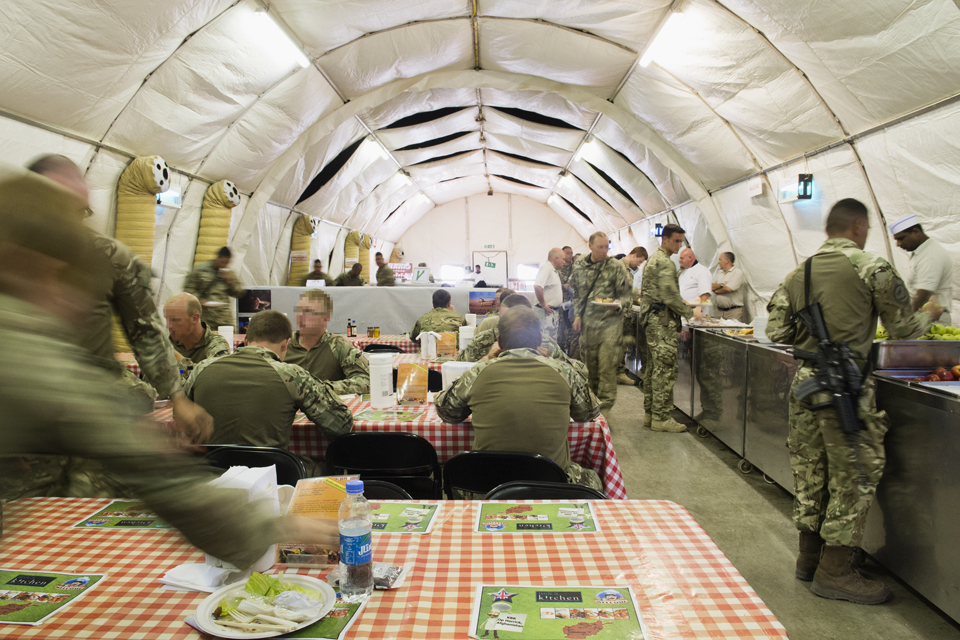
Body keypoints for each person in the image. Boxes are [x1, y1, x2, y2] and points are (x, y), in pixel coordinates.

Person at [0, 163, 337, 568]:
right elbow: (152, 473)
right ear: (36, 265)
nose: (76, 306)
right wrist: (272, 528)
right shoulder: (32, 357)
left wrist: (174, 394)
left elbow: (145, 330)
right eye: (68, 285)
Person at [766, 198, 941, 605]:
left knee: (811, 473)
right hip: (845, 388)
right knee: (854, 476)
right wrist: (931, 312)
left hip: (805, 387)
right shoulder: (872, 267)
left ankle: (809, 558)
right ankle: (836, 570)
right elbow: (902, 329)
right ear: (859, 226)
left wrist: (812, 343)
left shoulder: (798, 272)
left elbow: (776, 329)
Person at [26, 155, 212, 440]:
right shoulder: (11, 257)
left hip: (91, 411)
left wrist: (177, 396)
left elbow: (147, 331)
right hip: (24, 410)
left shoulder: (110, 258)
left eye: (77, 210)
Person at [436, 306, 603, 493]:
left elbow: (446, 412)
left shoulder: (478, 372)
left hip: (487, 485)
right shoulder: (563, 372)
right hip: (551, 484)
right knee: (592, 478)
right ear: (540, 339)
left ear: (499, 342)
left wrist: (485, 361)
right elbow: (589, 412)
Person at [185, 310, 354, 475]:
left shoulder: (201, 370)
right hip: (271, 476)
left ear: (245, 340)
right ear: (286, 344)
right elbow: (341, 425)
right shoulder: (291, 375)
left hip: (210, 474)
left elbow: (181, 418)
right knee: (333, 466)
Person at [639, 224, 694, 433]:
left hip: (653, 321)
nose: (679, 246)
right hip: (662, 322)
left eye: (681, 241)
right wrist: (690, 313)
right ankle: (661, 417)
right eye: (676, 241)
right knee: (665, 370)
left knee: (654, 369)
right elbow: (670, 296)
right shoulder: (665, 263)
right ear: (665, 239)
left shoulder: (654, 259)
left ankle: (650, 413)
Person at [571, 232, 632, 414]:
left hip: (610, 325)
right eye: (600, 247)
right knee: (589, 368)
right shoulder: (579, 266)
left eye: (607, 246)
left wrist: (618, 305)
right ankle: (591, 405)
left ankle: (604, 410)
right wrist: (577, 316)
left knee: (607, 366)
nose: (604, 251)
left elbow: (627, 295)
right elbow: (577, 294)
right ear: (590, 246)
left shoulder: (616, 266)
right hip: (589, 325)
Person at [284, 289, 370, 394]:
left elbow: (365, 380)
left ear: (325, 318)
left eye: (309, 312)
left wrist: (324, 389)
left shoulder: (338, 346)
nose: (301, 316)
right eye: (299, 310)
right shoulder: (283, 344)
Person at [457, 294, 567, 364]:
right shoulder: (481, 341)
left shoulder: (546, 343)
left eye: (521, 319)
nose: (514, 323)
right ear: (499, 316)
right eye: (506, 318)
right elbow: (456, 368)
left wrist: (549, 363)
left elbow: (572, 373)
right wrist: (485, 360)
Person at [890, 214, 953, 326]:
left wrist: (903, 320)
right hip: (923, 317)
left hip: (933, 320)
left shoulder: (931, 255)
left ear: (916, 232)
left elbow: (922, 295)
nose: (898, 244)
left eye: (901, 238)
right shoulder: (922, 252)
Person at [163, 292, 230, 378]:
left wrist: (178, 359)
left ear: (194, 318)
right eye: (167, 320)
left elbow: (216, 376)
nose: (168, 326)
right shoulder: (167, 342)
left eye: (175, 320)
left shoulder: (216, 344)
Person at [183, 246, 245, 329]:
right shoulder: (200, 270)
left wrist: (230, 282)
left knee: (228, 339)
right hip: (206, 317)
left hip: (224, 318)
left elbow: (240, 293)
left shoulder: (229, 273)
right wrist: (198, 300)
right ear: (219, 257)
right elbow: (188, 290)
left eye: (227, 263)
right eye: (223, 262)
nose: (225, 265)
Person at [618, 247, 648, 385]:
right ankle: (618, 373)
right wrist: (639, 292)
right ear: (634, 255)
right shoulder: (619, 268)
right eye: (639, 261)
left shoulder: (627, 269)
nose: (638, 265)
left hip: (624, 313)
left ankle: (619, 371)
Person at [534, 248, 565, 340]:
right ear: (556, 258)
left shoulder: (553, 270)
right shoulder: (546, 269)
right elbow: (537, 286)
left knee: (552, 342)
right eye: (563, 259)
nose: (564, 261)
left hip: (552, 313)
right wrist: (544, 305)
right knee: (545, 341)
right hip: (545, 313)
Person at [711, 252, 746, 321]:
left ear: (727, 261)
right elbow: (711, 287)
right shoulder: (719, 273)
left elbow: (728, 289)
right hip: (719, 312)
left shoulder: (737, 273)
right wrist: (721, 285)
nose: (718, 262)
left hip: (733, 312)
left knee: (731, 331)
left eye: (720, 260)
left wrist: (716, 290)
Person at [557, 246, 577, 358]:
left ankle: (571, 358)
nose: (570, 255)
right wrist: (562, 286)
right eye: (567, 253)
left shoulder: (575, 269)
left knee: (572, 332)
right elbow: (552, 286)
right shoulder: (558, 269)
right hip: (561, 305)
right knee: (561, 332)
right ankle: (560, 356)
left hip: (572, 305)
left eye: (571, 253)